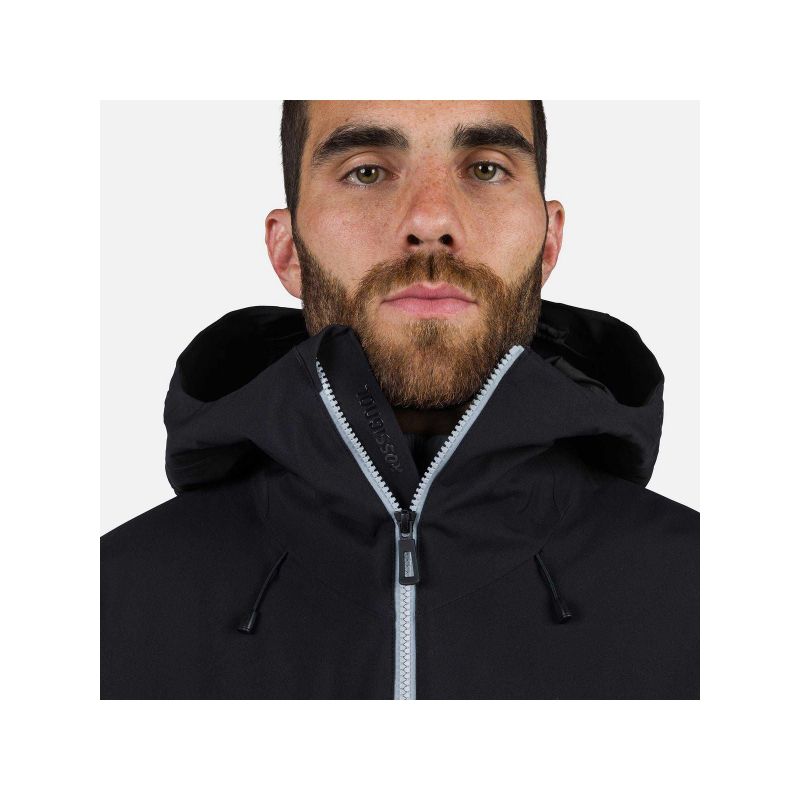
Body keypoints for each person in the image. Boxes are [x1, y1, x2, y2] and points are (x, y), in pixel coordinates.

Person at [101, 100, 699, 699]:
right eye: (367, 172)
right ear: (289, 251)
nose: (431, 219)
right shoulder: (106, 603)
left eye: (486, 169)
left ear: (548, 241)